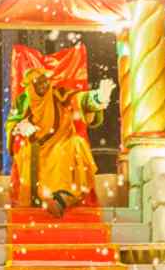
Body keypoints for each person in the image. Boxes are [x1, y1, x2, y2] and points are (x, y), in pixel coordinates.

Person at [6, 68, 115, 216]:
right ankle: (42, 198)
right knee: (30, 154)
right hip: (35, 150)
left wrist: (98, 98)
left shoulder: (58, 93)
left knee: (77, 144)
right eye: (39, 82)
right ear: (31, 86)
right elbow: (11, 126)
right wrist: (19, 127)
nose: (44, 85)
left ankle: (62, 199)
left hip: (63, 142)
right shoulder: (23, 100)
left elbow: (80, 99)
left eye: (45, 80)